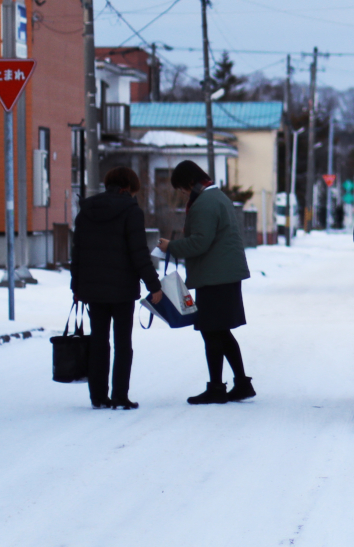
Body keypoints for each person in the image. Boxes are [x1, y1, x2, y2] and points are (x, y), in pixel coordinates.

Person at [161, 158, 254, 405]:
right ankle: (242, 383)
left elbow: (200, 242)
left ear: (190, 182)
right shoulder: (218, 197)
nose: (182, 194)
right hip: (223, 274)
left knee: (211, 332)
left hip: (215, 277)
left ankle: (216, 388)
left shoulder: (204, 203)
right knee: (221, 331)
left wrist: (172, 247)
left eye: (181, 188)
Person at [68, 165, 161, 410]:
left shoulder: (86, 209)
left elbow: (77, 252)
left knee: (99, 342)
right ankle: (120, 395)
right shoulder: (131, 211)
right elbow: (139, 253)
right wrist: (154, 286)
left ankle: (98, 396)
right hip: (122, 290)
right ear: (128, 187)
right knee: (122, 343)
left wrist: (76, 286)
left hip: (93, 290)